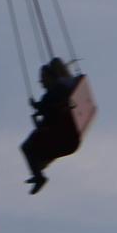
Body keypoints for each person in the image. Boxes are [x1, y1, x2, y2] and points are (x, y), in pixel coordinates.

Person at [22, 57, 79, 194]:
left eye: (43, 79)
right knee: (37, 148)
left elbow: (46, 105)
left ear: (50, 77)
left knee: (28, 147)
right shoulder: (65, 86)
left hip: (62, 132)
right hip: (65, 133)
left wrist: (36, 106)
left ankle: (38, 175)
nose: (42, 84)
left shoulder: (57, 90)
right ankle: (38, 171)